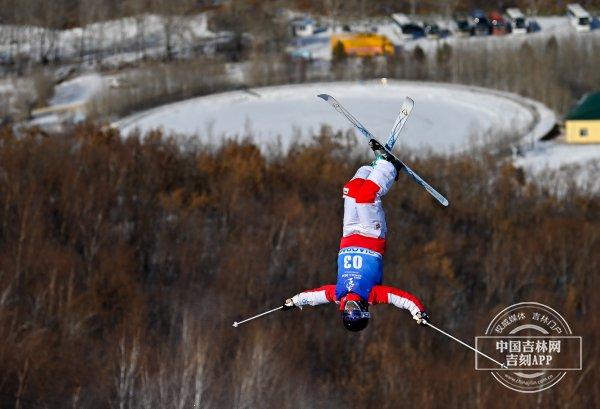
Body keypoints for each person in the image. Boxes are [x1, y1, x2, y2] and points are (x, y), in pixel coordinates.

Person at [283, 152, 429, 332]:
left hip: (349, 234)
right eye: (356, 314)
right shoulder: (373, 295)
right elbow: (402, 298)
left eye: (348, 314)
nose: (352, 311)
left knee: (351, 191)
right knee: (366, 197)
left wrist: (294, 302)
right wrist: (418, 311)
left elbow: (314, 296)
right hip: (371, 236)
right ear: (364, 312)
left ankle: (373, 166)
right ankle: (389, 166)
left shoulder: (337, 294)